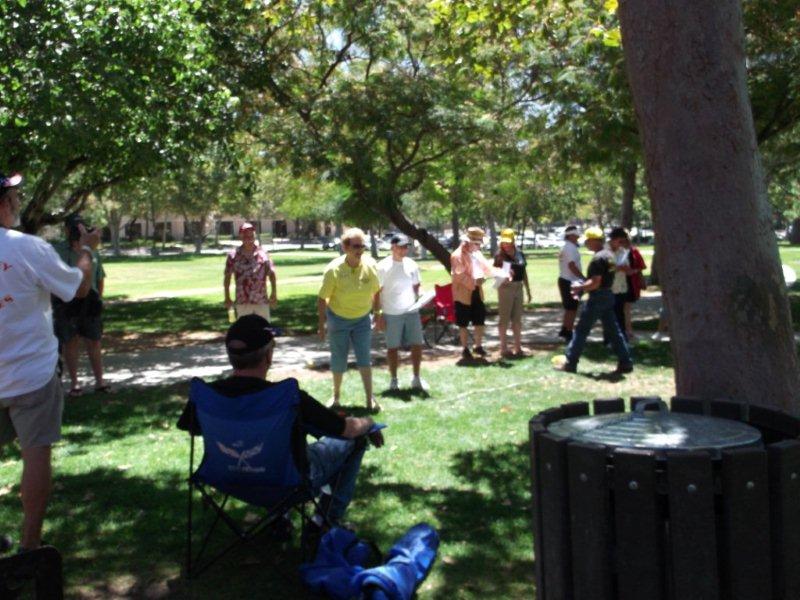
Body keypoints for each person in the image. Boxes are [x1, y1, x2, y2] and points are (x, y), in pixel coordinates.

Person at [178, 314, 384, 536]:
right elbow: (346, 430)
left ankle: (280, 519)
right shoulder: (287, 398)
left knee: (276, 453)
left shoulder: (207, 396)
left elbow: (193, 427)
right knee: (356, 439)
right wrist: (369, 422)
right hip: (289, 484)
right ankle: (323, 522)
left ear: (231, 357)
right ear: (268, 355)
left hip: (228, 478)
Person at [0, 172, 100, 553]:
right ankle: (29, 547)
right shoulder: (27, 248)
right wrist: (86, 251)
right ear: (3, 204)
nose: (18, 203)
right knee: (36, 454)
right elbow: (78, 287)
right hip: (31, 376)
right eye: (14, 197)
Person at [317, 228, 382, 411]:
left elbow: (377, 292)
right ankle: (336, 396)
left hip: (362, 318)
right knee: (339, 359)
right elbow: (322, 298)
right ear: (345, 247)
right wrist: (322, 325)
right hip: (338, 319)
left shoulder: (370, 266)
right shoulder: (334, 270)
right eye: (355, 246)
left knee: (364, 359)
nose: (360, 250)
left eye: (362, 246)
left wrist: (378, 315)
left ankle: (370, 399)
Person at [556, 226, 633, 374]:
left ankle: (570, 362)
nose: (586, 244)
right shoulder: (609, 256)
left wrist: (580, 288)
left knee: (581, 330)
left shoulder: (599, 258)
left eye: (588, 241)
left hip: (598, 297)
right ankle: (626, 362)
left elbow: (596, 281)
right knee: (614, 331)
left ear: (594, 241)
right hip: (608, 296)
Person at [52, 213, 109, 397]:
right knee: (70, 342)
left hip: (89, 302)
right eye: (74, 227)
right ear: (67, 230)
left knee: (94, 341)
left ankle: (100, 382)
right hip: (66, 302)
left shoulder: (92, 250)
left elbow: (99, 277)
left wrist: (98, 299)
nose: (77, 230)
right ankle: (75, 384)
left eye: (80, 226)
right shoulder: (57, 250)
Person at [375, 234, 428, 392]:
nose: (404, 250)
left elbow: (417, 286)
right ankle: (394, 380)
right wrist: (378, 315)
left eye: (406, 247)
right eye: (401, 247)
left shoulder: (411, 264)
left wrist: (422, 297)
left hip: (411, 311)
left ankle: (416, 378)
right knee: (392, 348)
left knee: (417, 344)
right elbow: (376, 293)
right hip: (391, 313)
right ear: (392, 247)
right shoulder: (382, 267)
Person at [450, 227, 503, 360]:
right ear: (468, 242)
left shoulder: (477, 254)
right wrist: (475, 282)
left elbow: (487, 268)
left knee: (479, 319)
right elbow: (459, 276)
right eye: (477, 243)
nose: (479, 246)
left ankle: (478, 346)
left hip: (477, 292)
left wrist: (501, 272)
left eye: (479, 244)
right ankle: (464, 348)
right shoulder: (457, 256)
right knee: (463, 322)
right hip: (463, 294)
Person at [224, 222, 277, 320]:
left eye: (251, 235)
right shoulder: (233, 256)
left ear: (254, 236)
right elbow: (227, 277)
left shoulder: (263, 254)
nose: (248, 238)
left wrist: (274, 293)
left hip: (261, 300)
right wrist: (227, 297)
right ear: (240, 236)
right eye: (245, 235)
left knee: (263, 331)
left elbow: (272, 274)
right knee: (245, 331)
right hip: (242, 301)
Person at [493, 228, 532, 358]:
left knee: (517, 319)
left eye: (508, 242)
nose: (506, 245)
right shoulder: (499, 256)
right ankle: (503, 348)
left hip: (518, 287)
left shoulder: (520, 253)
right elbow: (494, 272)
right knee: (504, 318)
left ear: (513, 241)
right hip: (505, 288)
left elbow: (524, 272)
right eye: (504, 242)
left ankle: (518, 347)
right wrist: (502, 278)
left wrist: (527, 289)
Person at [557, 225, 583, 342]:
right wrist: (583, 277)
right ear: (571, 235)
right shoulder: (570, 248)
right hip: (570, 280)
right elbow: (572, 265)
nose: (578, 237)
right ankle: (568, 330)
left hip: (565, 279)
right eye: (576, 235)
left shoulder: (566, 247)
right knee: (572, 308)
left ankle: (565, 328)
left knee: (570, 308)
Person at [622, 233, 647, 340]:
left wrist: (641, 280)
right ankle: (625, 331)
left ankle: (629, 331)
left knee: (627, 308)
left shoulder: (634, 252)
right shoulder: (617, 252)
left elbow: (640, 267)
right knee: (621, 308)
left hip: (631, 283)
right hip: (619, 283)